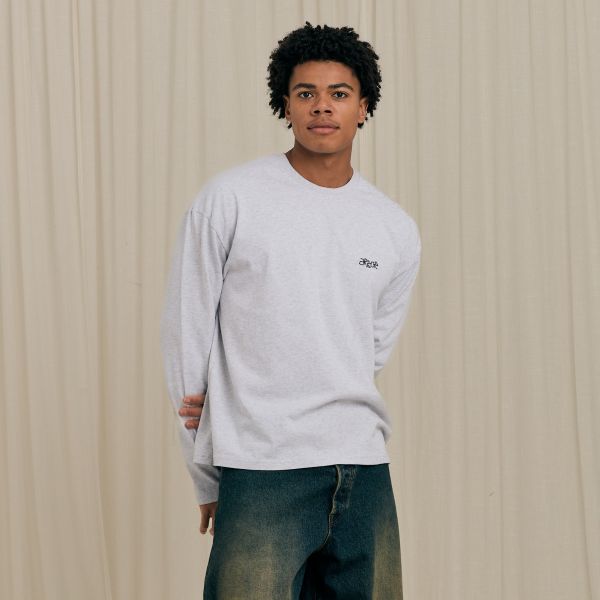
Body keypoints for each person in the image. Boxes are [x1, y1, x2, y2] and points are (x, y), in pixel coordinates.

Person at [159, 21, 422, 599]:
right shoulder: (231, 200)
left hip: (363, 467)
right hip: (260, 468)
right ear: (286, 104)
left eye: (339, 93)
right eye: (306, 93)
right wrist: (207, 475)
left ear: (363, 107)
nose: (322, 106)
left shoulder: (393, 227)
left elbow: (369, 350)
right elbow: (186, 339)